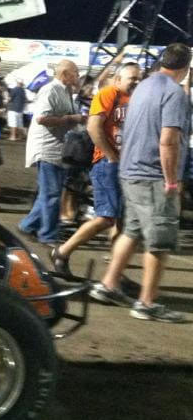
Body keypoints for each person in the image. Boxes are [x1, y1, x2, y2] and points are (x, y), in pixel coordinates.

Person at [89, 44, 191, 323]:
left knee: (132, 231)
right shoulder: (174, 93)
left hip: (130, 171)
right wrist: (172, 181)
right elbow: (168, 140)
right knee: (159, 240)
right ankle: (146, 303)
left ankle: (108, 284)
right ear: (184, 68)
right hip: (154, 175)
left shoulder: (143, 87)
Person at [51, 63, 141, 276]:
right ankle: (62, 251)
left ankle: (115, 275)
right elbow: (93, 127)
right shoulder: (109, 93)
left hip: (126, 167)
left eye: (139, 77)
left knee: (123, 222)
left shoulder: (137, 100)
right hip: (107, 165)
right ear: (118, 79)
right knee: (106, 218)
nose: (137, 81)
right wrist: (110, 156)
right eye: (132, 78)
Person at [19, 60, 84, 245]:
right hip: (47, 148)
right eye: (75, 72)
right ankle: (47, 235)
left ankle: (28, 225)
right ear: (65, 74)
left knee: (48, 192)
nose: (78, 76)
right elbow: (42, 118)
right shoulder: (50, 90)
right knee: (52, 194)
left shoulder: (65, 91)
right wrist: (72, 118)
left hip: (56, 149)